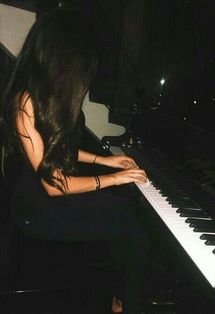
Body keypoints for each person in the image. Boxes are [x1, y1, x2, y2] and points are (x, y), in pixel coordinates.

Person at [0, 9, 149, 314]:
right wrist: (111, 179)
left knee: (122, 209)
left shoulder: (49, 95)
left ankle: (117, 288)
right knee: (127, 217)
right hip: (37, 210)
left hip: (48, 196)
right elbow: (55, 185)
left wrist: (108, 162)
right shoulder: (26, 102)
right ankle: (129, 302)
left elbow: (63, 148)